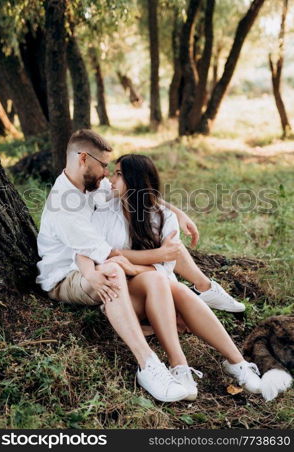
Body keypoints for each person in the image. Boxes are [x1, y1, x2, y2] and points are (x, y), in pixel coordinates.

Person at [37, 129, 193, 402]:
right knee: (113, 269)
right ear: (84, 158)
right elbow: (107, 255)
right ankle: (148, 365)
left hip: (91, 267)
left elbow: (134, 190)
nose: (108, 174)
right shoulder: (65, 206)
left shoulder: (90, 185)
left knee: (142, 277)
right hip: (65, 278)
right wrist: (161, 254)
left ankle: (181, 356)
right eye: (104, 165)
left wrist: (175, 212)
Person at [91, 154, 262, 399]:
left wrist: (134, 266)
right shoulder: (105, 209)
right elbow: (104, 257)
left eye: (119, 174)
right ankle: (178, 363)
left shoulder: (162, 216)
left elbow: (166, 267)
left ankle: (237, 364)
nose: (111, 178)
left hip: (157, 293)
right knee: (164, 283)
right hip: (122, 301)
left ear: (135, 180)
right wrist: (141, 259)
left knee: (171, 285)